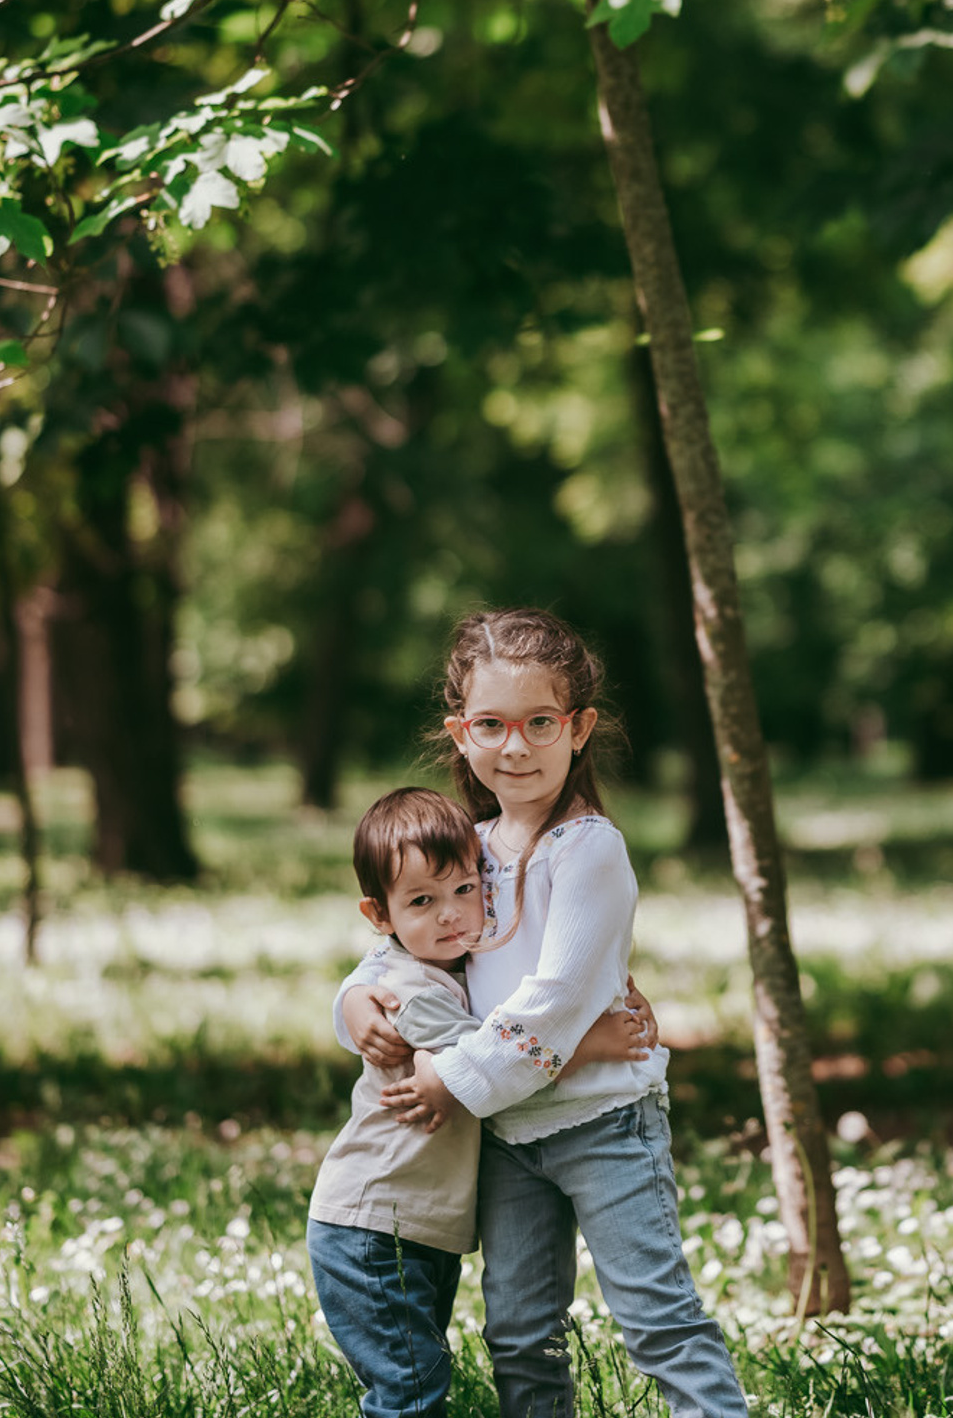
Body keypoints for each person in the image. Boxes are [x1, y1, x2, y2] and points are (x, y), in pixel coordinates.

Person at [337, 608, 751, 1418]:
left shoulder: (588, 848)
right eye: (491, 724)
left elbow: (553, 998)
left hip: (604, 1126)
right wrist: (353, 1003)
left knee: (657, 1321)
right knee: (521, 1335)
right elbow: (405, 940)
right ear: (460, 733)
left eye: (539, 723)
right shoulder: (473, 845)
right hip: (509, 1139)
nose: (515, 746)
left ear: (579, 727)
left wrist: (452, 1079)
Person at [308, 785, 651, 1418]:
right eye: (422, 901)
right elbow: (497, 1060)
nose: (451, 915)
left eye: (466, 890)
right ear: (378, 915)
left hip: (416, 1226)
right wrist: (589, 1042)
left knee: (416, 1380)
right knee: (409, 1393)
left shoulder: (453, 967)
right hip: (373, 1226)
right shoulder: (414, 993)